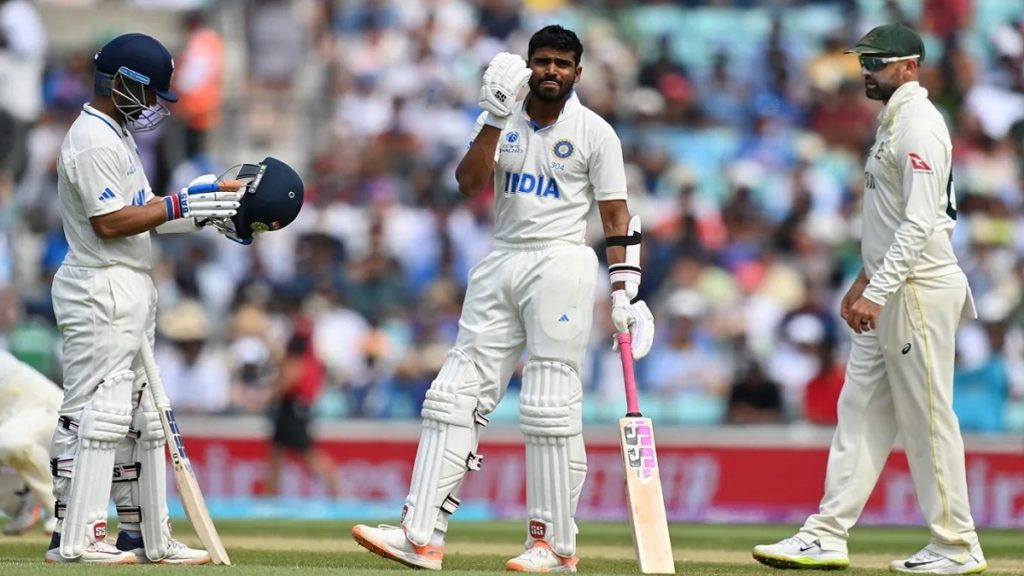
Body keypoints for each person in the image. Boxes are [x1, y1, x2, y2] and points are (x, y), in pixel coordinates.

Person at [352, 25, 654, 573]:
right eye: (542, 61)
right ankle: (421, 535)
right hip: (502, 258)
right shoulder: (501, 116)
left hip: (561, 260)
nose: (551, 70)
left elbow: (615, 215)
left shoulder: (596, 132)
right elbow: (469, 184)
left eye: (562, 63)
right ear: (529, 65)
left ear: (578, 72)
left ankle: (553, 546)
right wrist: (493, 117)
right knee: (453, 395)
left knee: (548, 402)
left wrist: (625, 291)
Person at [753, 23, 987, 574]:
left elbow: (922, 222)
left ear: (910, 66)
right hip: (890, 287)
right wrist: (864, 277)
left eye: (877, 63)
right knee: (858, 413)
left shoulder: (919, 125)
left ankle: (957, 545)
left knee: (927, 419)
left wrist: (878, 290)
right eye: (864, 61)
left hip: (916, 290)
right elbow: (890, 218)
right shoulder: (893, 123)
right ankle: (826, 534)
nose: (867, 71)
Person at [47, 33, 244, 564]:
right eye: (150, 91)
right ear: (122, 84)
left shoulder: (117, 135)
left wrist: (204, 207)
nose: (154, 103)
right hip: (99, 283)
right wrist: (181, 203)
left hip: (129, 282)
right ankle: (73, 535)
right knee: (95, 411)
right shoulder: (93, 139)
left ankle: (144, 535)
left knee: (142, 416)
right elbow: (111, 223)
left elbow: (145, 211)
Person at [0, 349, 61, 536]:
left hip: (50, 411)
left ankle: (61, 510)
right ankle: (22, 501)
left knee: (11, 444)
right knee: (8, 442)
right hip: (15, 419)